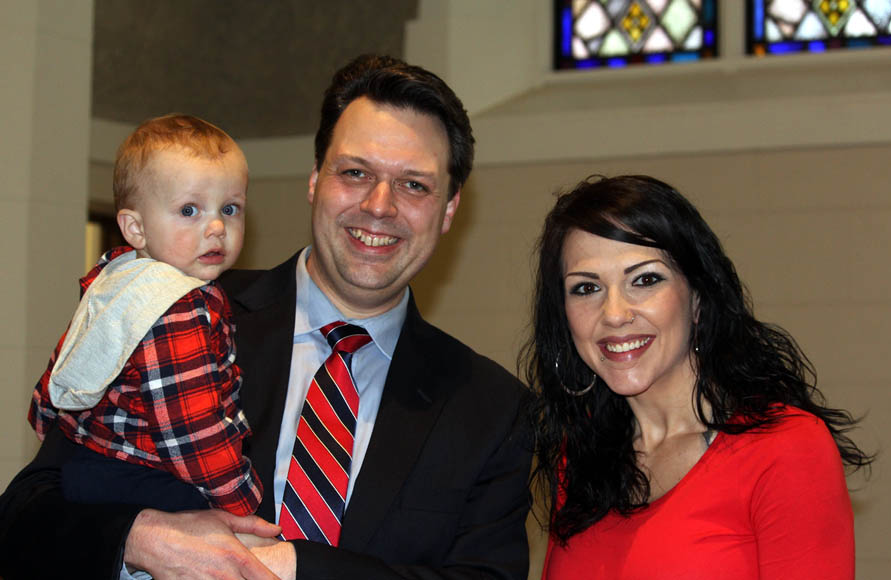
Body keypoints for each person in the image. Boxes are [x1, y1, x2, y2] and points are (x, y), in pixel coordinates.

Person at [0, 55, 531, 580]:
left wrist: (299, 566)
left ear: (450, 209)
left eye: (414, 184)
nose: (379, 206)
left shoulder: (490, 409)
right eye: (354, 172)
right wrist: (139, 540)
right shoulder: (173, 312)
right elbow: (23, 516)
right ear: (315, 179)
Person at [522, 175, 872, 579]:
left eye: (645, 280)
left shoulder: (785, 448)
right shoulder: (581, 453)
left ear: (699, 298)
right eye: (586, 288)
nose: (614, 314)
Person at [29, 113, 262, 516]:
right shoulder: (181, 306)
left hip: (88, 468)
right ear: (135, 228)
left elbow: (67, 365)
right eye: (189, 210)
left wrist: (48, 422)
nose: (216, 227)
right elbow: (191, 431)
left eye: (230, 208)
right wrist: (241, 502)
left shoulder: (116, 277)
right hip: (151, 481)